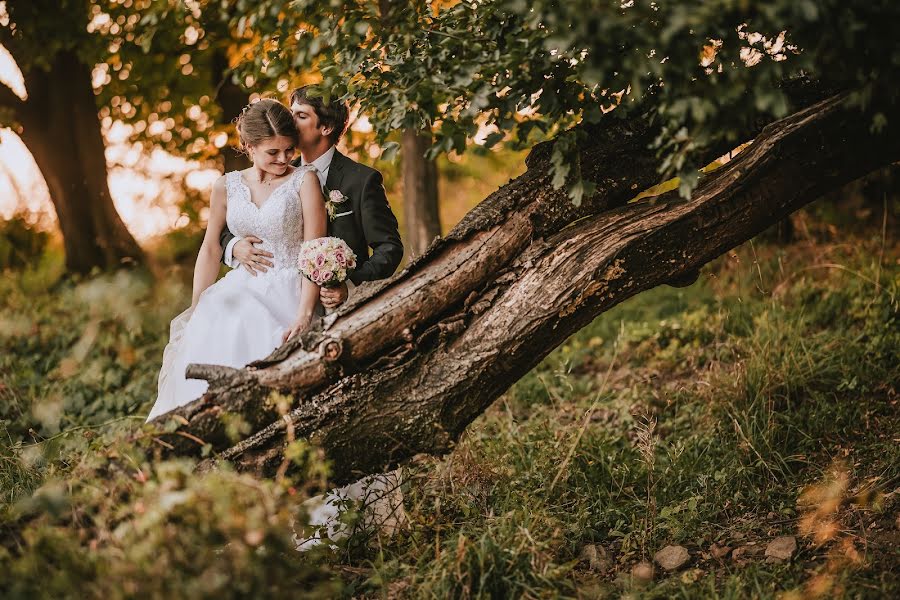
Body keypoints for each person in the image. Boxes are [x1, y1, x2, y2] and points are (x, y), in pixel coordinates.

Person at [147, 99, 325, 421]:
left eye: (288, 150)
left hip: (290, 289)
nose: (284, 158)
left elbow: (312, 249)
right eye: (273, 152)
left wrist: (305, 311)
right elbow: (211, 248)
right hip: (239, 287)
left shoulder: (304, 180)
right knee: (218, 329)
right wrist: (196, 307)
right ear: (249, 146)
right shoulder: (226, 186)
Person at [219, 86, 403, 309]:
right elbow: (244, 217)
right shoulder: (278, 172)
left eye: (301, 116)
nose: (290, 121)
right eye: (291, 112)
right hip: (282, 297)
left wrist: (351, 286)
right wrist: (233, 245)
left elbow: (389, 248)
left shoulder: (362, 181)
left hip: (339, 306)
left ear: (326, 127)